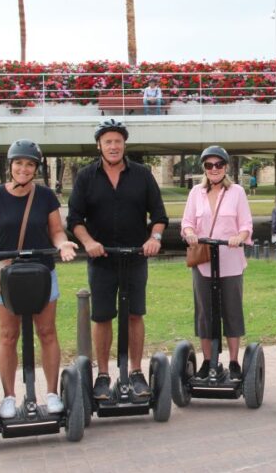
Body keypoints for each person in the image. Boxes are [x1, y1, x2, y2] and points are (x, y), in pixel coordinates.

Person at [0, 139, 78, 419]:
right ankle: (9, 397)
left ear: (36, 168)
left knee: (47, 332)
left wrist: (63, 244)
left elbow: (56, 230)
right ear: (10, 166)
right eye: (18, 163)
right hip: (6, 272)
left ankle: (53, 393)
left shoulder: (45, 196)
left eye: (29, 164)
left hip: (42, 272)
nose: (23, 168)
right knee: (8, 335)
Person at [67, 118, 168, 401]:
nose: (113, 146)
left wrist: (154, 239)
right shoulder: (87, 176)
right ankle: (102, 374)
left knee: (135, 313)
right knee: (102, 316)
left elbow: (159, 216)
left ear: (124, 145)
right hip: (102, 259)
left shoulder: (142, 174)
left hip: (135, 256)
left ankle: (135, 372)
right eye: (108, 141)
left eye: (118, 141)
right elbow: (74, 218)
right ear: (99, 145)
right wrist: (88, 242)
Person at [181, 145, 253, 380]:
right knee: (204, 313)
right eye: (209, 165)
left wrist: (238, 238)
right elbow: (187, 222)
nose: (214, 169)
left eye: (219, 165)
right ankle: (208, 360)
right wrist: (190, 232)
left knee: (231, 311)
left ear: (226, 167)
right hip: (203, 262)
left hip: (230, 261)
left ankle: (233, 362)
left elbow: (246, 226)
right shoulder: (195, 193)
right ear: (204, 168)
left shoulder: (237, 192)